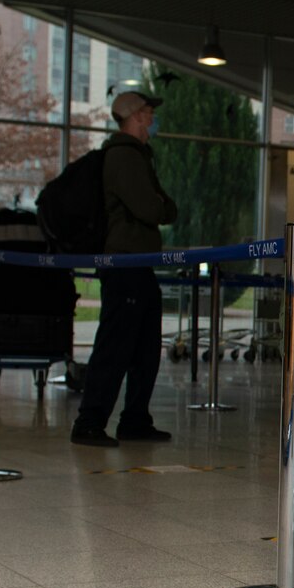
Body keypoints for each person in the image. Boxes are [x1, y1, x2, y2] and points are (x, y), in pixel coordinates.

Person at [71, 90, 178, 447]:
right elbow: (152, 208)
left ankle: (135, 418)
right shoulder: (124, 157)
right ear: (136, 116)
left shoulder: (137, 155)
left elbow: (163, 206)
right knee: (115, 344)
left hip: (138, 264)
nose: (152, 119)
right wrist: (160, 205)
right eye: (148, 112)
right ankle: (90, 421)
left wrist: (161, 205)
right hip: (124, 263)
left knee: (146, 346)